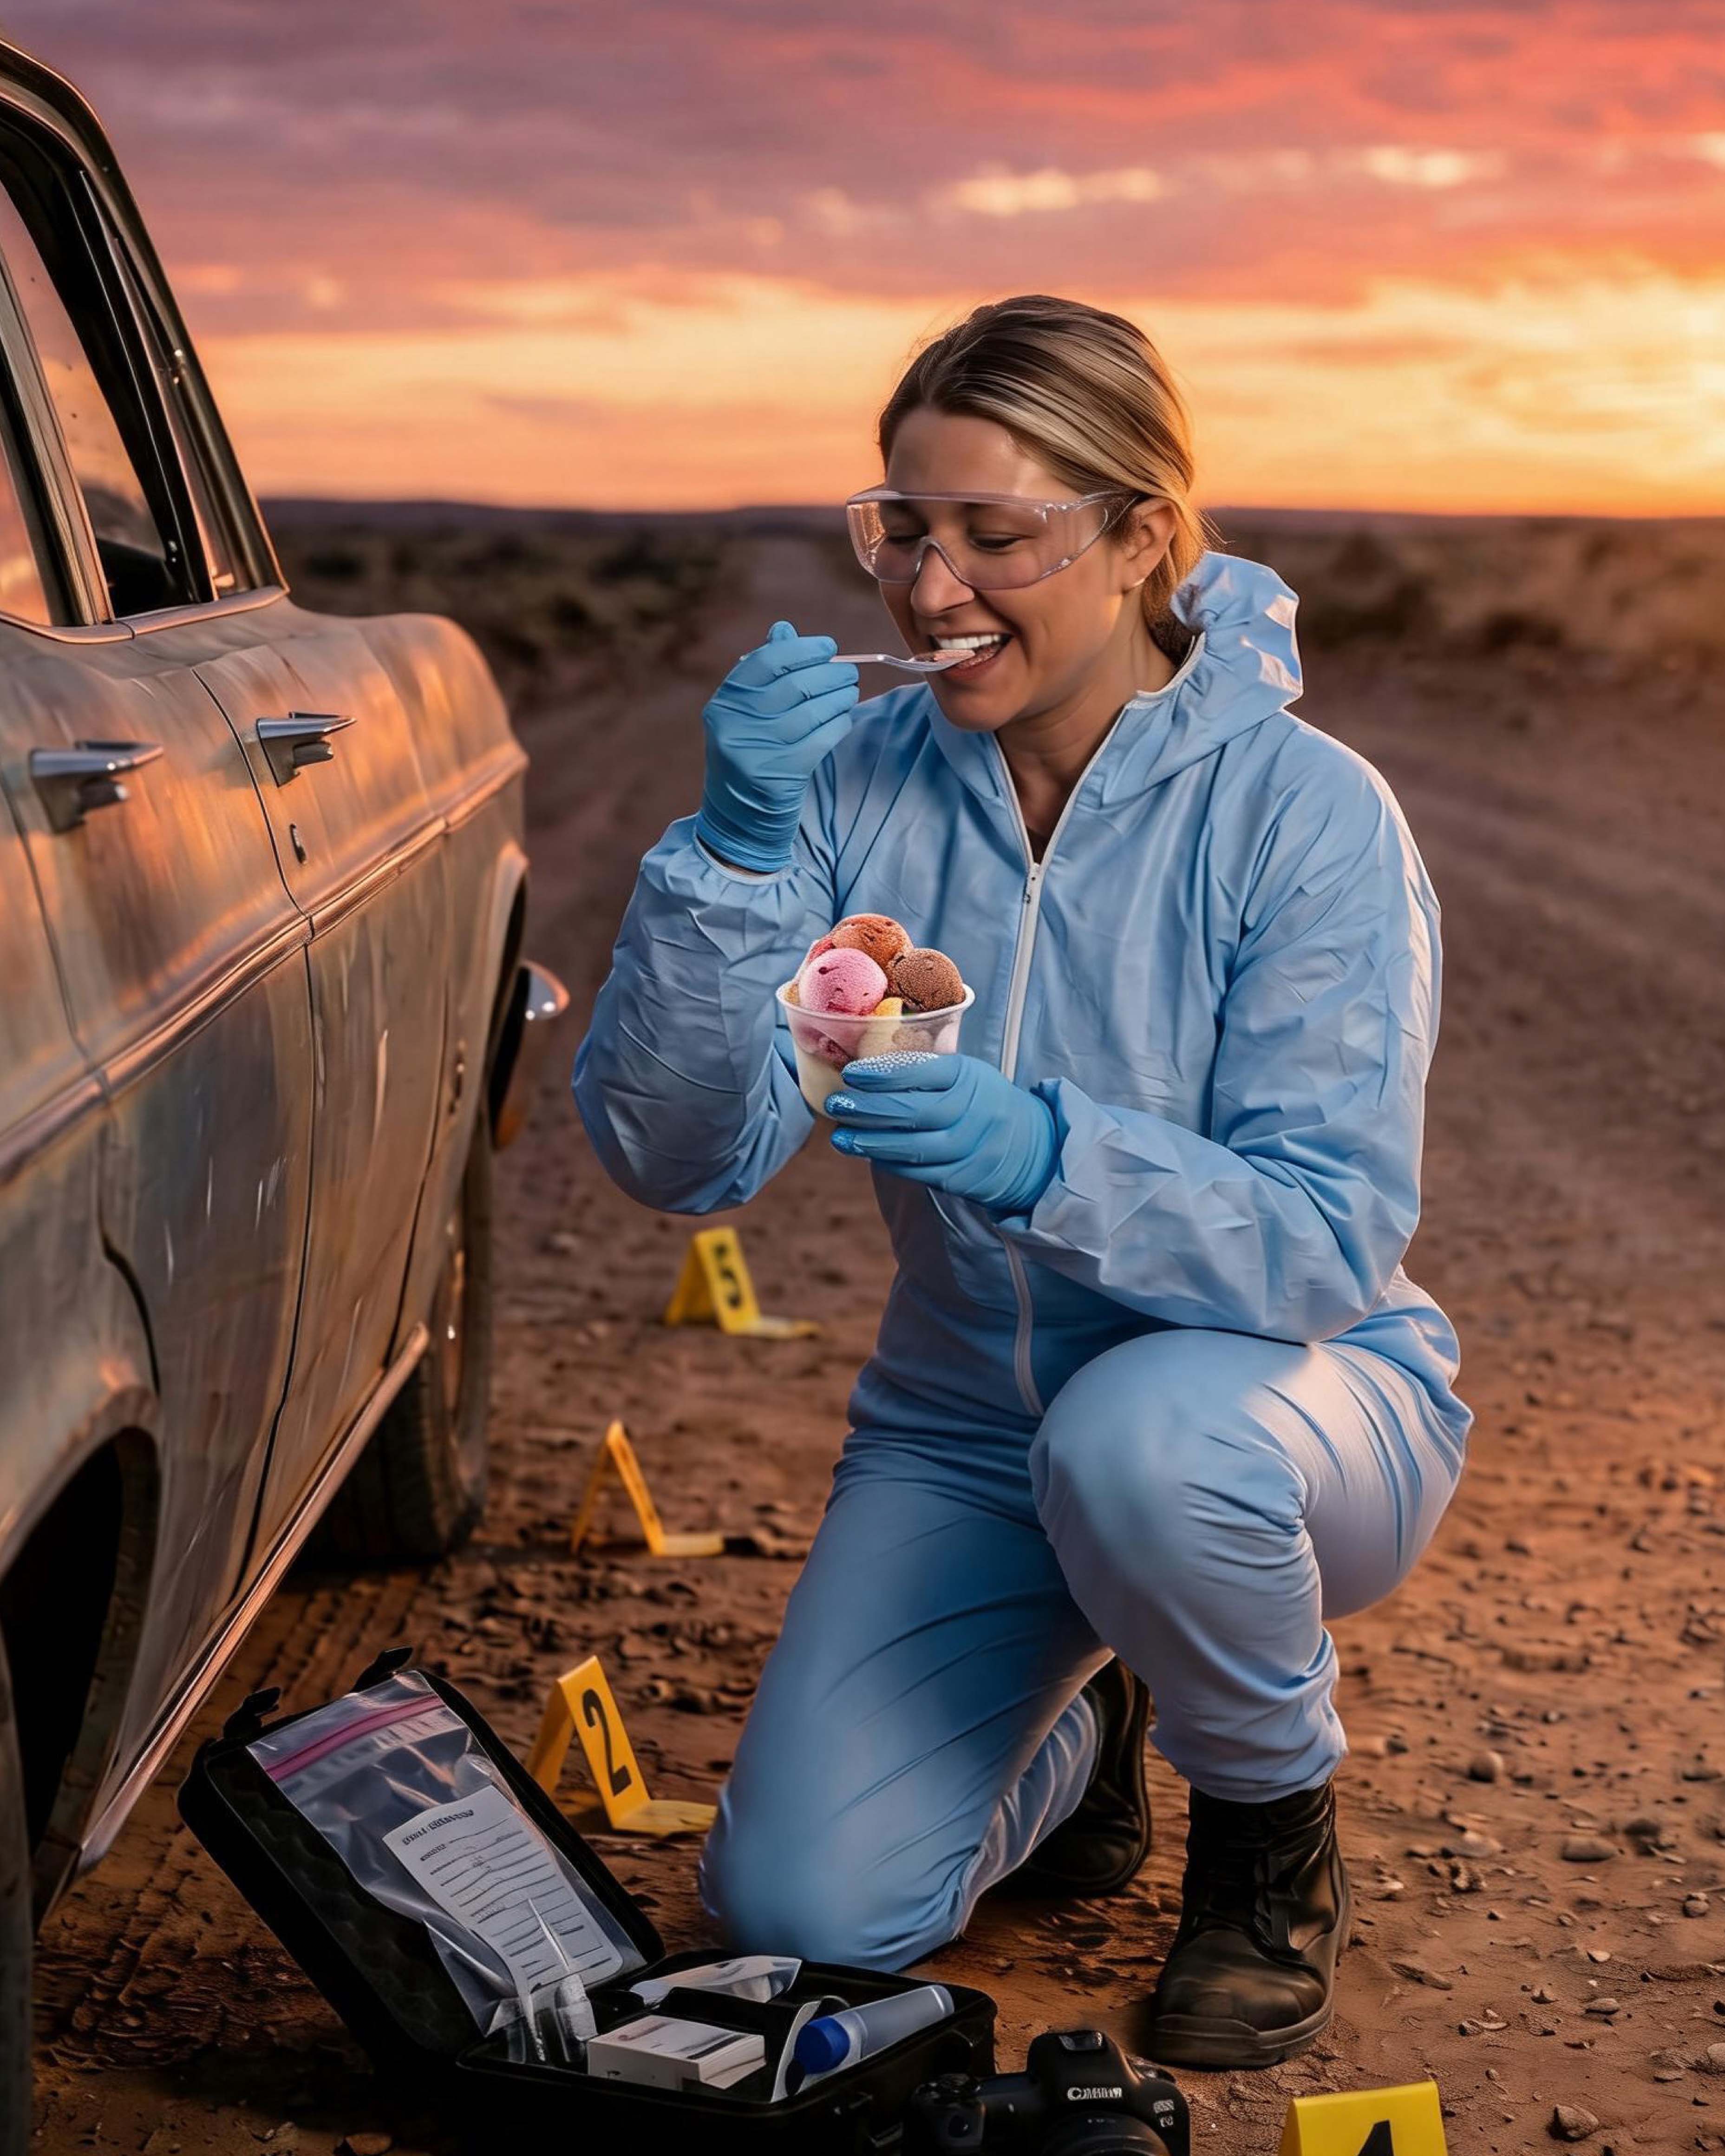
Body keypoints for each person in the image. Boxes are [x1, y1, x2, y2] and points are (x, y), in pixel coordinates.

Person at [573, 293, 1471, 2069]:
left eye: (996, 535)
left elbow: (1321, 1242)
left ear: (1143, 535)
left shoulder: (1306, 813)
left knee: (1139, 1439)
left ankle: (1268, 1831)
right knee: (801, 1920)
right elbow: (678, 1157)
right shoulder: (850, 788)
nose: (927, 589)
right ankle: (1072, 1745)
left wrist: (1042, 1145)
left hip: (1297, 1404)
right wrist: (738, 854)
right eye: (900, 530)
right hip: (965, 1428)